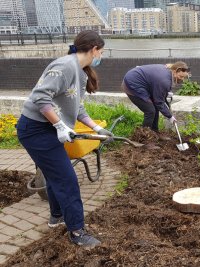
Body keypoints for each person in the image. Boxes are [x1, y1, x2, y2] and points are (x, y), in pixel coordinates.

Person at [16, 30, 113, 247]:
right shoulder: (65, 66)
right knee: (67, 180)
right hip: (36, 130)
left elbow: (76, 106)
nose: (101, 56)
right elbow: (40, 97)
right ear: (94, 49)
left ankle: (57, 217)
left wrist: (96, 127)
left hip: (46, 129)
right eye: (102, 52)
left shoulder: (80, 71)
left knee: (55, 174)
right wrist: (59, 125)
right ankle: (77, 232)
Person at [121, 61, 190, 139]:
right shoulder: (164, 81)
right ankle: (144, 137)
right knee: (150, 111)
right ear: (174, 71)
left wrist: (165, 95)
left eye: (184, 77)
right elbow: (159, 102)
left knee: (155, 107)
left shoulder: (168, 71)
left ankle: (154, 132)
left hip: (140, 81)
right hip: (132, 84)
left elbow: (159, 98)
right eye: (181, 77)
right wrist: (170, 116)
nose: (182, 79)